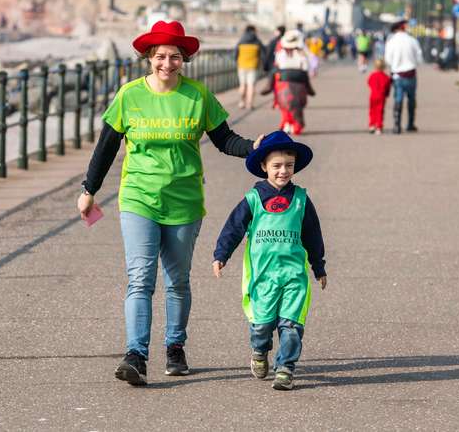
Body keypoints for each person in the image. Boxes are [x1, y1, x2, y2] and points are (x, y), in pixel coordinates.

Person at [77, 20, 263, 386]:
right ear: (148, 57)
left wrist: (255, 148)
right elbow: (107, 147)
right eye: (160, 56)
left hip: (185, 202)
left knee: (177, 281)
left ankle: (175, 346)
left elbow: (225, 140)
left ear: (184, 59)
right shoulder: (129, 96)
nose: (167, 63)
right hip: (138, 198)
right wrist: (89, 189)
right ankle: (136, 355)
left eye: (175, 56)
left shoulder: (197, 96)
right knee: (140, 279)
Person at [212, 131, 327, 391]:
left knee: (291, 325)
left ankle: (285, 368)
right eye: (276, 166)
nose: (283, 171)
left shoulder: (301, 200)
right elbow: (233, 228)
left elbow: (313, 234)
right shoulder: (253, 200)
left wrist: (318, 266)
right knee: (262, 325)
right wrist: (221, 255)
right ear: (264, 166)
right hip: (262, 277)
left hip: (294, 276)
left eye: (289, 165)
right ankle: (259, 350)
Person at [267, 29, 315, 135]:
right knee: (301, 95)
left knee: (284, 105)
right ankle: (310, 90)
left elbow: (277, 65)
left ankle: (268, 87)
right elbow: (306, 66)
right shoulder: (301, 52)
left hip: (284, 79)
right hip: (299, 78)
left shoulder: (281, 53)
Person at [384, 19, 423, 134]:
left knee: (398, 99)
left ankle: (397, 125)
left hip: (397, 75)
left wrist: (395, 66)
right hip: (411, 73)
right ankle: (410, 124)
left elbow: (388, 60)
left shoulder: (391, 42)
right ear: (404, 28)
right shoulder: (412, 41)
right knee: (411, 99)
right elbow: (419, 59)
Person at [234, 25, 265, 109]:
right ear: (254, 31)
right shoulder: (257, 41)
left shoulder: (241, 40)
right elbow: (263, 53)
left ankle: (241, 102)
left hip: (241, 66)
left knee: (242, 85)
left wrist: (236, 61)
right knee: (251, 85)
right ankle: (249, 104)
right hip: (253, 66)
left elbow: (236, 54)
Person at [367, 58, 391, 135]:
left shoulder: (372, 75)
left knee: (372, 110)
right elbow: (388, 87)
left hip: (373, 95)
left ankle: (372, 125)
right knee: (380, 112)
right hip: (381, 96)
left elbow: (369, 83)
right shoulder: (386, 77)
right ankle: (379, 127)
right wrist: (387, 94)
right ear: (384, 67)